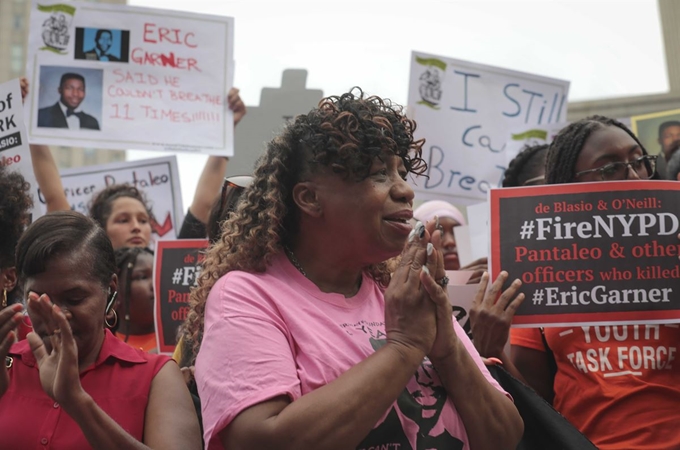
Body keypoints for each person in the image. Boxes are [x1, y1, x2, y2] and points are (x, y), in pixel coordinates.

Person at [187, 89, 522, 449]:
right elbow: (260, 440)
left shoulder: (405, 292)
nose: (405, 190)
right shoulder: (248, 295)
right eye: (378, 174)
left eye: (401, 172)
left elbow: (505, 438)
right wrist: (404, 347)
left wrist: (447, 350)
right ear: (310, 198)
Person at [510, 116, 680, 450]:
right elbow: (534, 396)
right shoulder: (539, 271)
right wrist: (488, 348)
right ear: (567, 184)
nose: (633, 176)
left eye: (639, 161)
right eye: (610, 168)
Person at [0, 211, 201, 449]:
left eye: (74, 298)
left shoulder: (155, 376)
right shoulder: (7, 365)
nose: (57, 314)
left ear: (110, 291)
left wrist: (77, 403)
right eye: (40, 299)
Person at [113, 247, 156, 352]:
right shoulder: (98, 349)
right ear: (116, 290)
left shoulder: (183, 343)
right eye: (142, 277)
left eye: (158, 275)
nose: (155, 284)